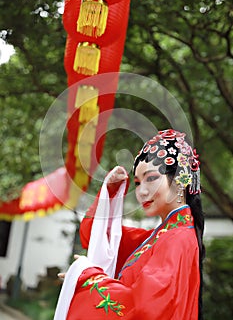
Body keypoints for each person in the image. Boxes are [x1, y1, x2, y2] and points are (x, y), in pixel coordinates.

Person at [54, 129, 205, 320]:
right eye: (137, 183)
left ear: (181, 179)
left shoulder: (177, 239)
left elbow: (145, 308)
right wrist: (110, 192)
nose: (141, 191)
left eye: (151, 179)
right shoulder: (162, 236)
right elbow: (98, 237)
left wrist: (85, 278)